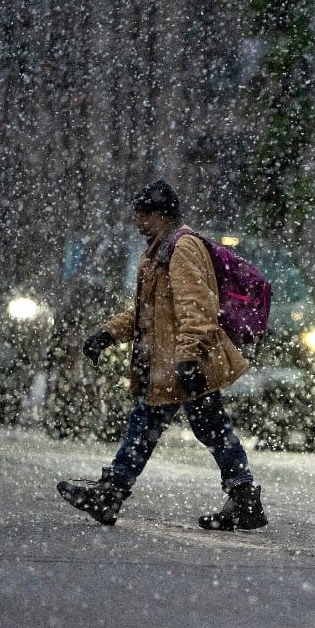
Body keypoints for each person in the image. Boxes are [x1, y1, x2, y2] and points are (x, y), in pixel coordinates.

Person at [56, 180, 267, 531]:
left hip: (179, 363)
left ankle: (112, 493)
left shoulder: (181, 248)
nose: (137, 221)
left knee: (153, 427)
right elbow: (146, 311)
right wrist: (107, 334)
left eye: (141, 214)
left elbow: (196, 308)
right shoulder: (158, 250)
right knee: (206, 429)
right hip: (171, 362)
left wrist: (187, 358)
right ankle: (243, 498)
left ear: (158, 215)